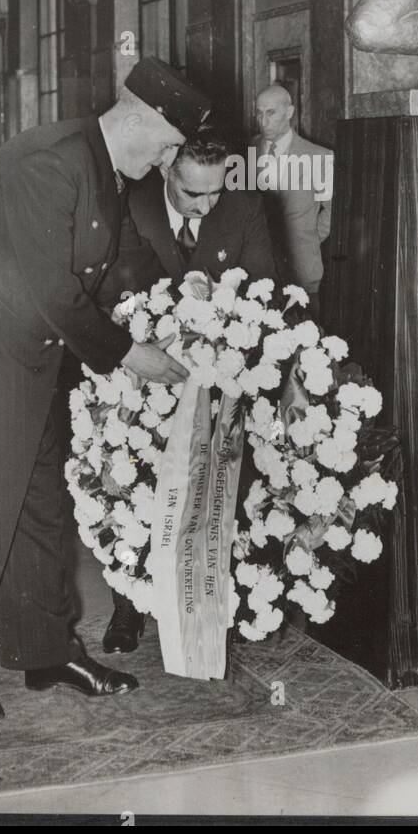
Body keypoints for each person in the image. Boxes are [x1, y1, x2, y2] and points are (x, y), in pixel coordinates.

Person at [0, 57, 211, 725]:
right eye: (173, 141)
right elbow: (52, 289)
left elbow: (125, 258)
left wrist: (187, 307)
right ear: (141, 120)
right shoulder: (51, 161)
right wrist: (128, 354)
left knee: (39, 504)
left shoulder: (107, 171)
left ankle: (44, 650)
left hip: (30, 359)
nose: (175, 155)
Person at [98, 125, 278, 653]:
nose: (205, 204)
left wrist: (219, 318)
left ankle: (208, 600)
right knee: (132, 486)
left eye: (215, 190)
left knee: (213, 490)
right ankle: (127, 608)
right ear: (165, 168)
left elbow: (263, 286)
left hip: (217, 375)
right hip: (144, 372)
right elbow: (113, 286)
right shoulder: (130, 202)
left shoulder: (243, 208)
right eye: (190, 193)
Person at [252, 85, 332, 321]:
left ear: (289, 112)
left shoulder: (319, 156)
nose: (263, 121)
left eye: (270, 113)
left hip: (302, 271)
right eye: (259, 113)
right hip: (257, 271)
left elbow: (332, 211)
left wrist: (309, 238)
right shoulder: (244, 151)